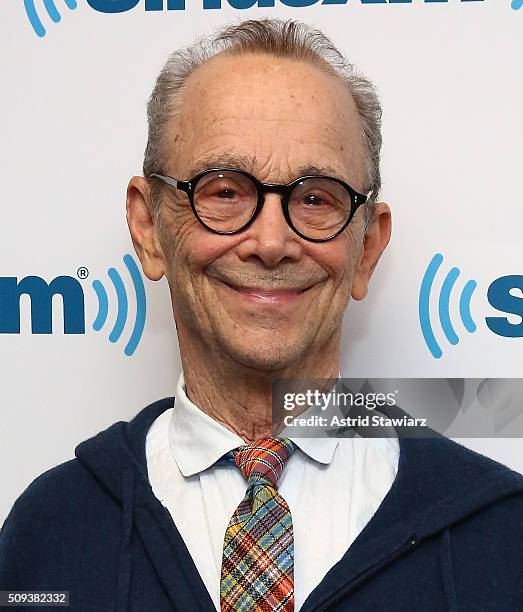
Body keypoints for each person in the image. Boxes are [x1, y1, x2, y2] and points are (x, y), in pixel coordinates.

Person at [1, 17, 522, 612]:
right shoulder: (49, 535)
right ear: (148, 229)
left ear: (367, 249)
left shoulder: (503, 537)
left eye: (315, 198)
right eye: (224, 191)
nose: (271, 242)